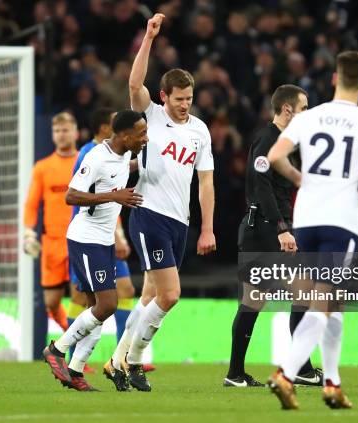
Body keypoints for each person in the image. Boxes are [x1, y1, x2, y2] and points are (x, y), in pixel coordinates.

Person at [267, 51, 358, 409]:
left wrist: (299, 178)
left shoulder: (311, 117)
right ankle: (286, 373)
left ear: (335, 79)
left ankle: (333, 383)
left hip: (305, 219)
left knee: (332, 303)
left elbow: (276, 156)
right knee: (324, 301)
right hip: (341, 221)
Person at [103, 13, 216, 392]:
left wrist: (208, 227)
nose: (185, 105)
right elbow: (135, 82)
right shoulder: (150, 116)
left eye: (189, 99)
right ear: (164, 96)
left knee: (150, 296)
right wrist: (149, 38)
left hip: (179, 221)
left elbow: (206, 180)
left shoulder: (200, 131)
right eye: (179, 99)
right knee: (170, 295)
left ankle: (116, 360)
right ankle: (133, 363)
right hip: (148, 214)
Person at [225, 84, 324, 388]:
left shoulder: (283, 142)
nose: (307, 113)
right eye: (304, 107)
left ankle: (247, 372)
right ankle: (240, 373)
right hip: (265, 233)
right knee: (258, 301)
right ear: (286, 109)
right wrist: (281, 229)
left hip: (271, 230)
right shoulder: (267, 140)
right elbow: (260, 187)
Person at [42, 110, 148, 392]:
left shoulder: (124, 154)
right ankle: (57, 349)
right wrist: (113, 196)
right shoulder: (96, 158)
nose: (145, 138)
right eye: (141, 134)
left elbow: (128, 167)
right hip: (86, 240)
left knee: (97, 310)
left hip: (103, 241)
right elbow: (71, 195)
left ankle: (75, 371)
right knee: (107, 305)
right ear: (125, 136)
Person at [23, 112, 78, 332]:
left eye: (65, 130)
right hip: (52, 244)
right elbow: (31, 204)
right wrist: (28, 232)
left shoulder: (83, 161)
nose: (61, 135)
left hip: (79, 241)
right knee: (51, 303)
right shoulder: (43, 167)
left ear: (74, 132)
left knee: (80, 299)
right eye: (57, 131)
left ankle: (77, 354)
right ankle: (70, 335)